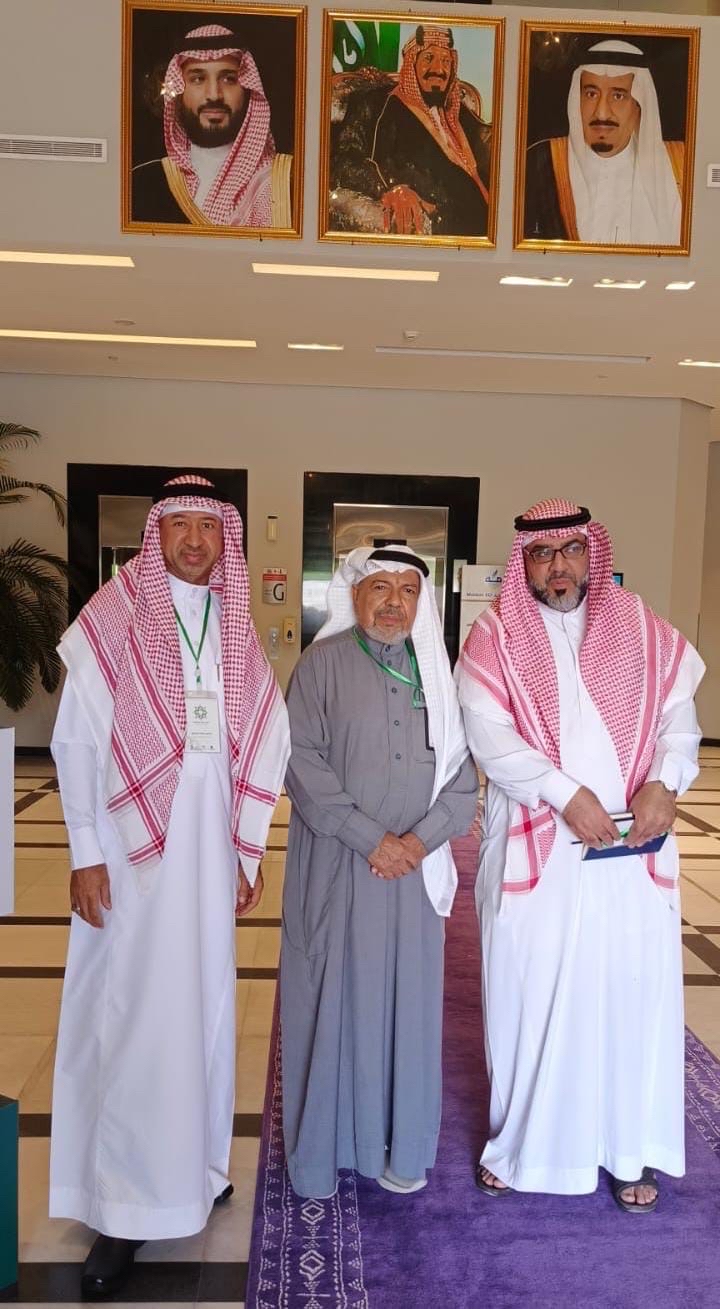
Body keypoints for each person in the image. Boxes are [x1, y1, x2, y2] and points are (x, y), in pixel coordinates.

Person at [50, 475, 290, 1297]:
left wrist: (245, 850)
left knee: (207, 1005)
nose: (194, 539)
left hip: (207, 852)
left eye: (207, 526)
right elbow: (75, 742)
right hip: (128, 853)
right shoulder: (112, 617)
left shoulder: (233, 623)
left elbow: (261, 735)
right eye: (179, 524)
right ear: (156, 535)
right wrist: (85, 851)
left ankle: (199, 1165)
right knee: (134, 1015)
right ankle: (122, 1207)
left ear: (225, 537)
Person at [456, 498, 704, 1212]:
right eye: (542, 554)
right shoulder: (495, 636)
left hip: (630, 850)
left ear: (592, 553)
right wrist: (565, 794)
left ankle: (628, 1149)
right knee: (531, 996)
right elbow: (489, 735)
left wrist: (665, 781)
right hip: (539, 844)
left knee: (626, 992)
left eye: (570, 550)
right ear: (524, 562)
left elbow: (678, 719)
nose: (557, 565)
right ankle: (522, 1145)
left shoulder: (639, 626)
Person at [281, 544, 478, 1198]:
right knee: (336, 1003)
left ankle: (403, 1148)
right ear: (355, 595)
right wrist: (371, 839)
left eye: (407, 590)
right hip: (341, 869)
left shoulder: (439, 676)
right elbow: (300, 764)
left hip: (414, 877)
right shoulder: (321, 665)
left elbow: (462, 779)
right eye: (381, 588)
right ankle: (326, 1154)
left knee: (410, 1008)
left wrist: (417, 843)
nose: (395, 602)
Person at [331, 25, 491, 237]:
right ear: (411, 63)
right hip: (441, 222)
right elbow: (344, 160)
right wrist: (390, 188)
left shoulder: (458, 112)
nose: (439, 69)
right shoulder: (377, 102)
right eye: (428, 58)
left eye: (446, 61)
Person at [131, 24, 292, 229]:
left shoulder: (285, 183)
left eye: (229, 79)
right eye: (198, 79)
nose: (214, 95)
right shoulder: (143, 182)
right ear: (180, 89)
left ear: (248, 89)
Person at [524, 39, 683, 245]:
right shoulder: (540, 163)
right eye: (591, 94)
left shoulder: (677, 168)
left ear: (639, 105)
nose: (601, 112)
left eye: (618, 96)